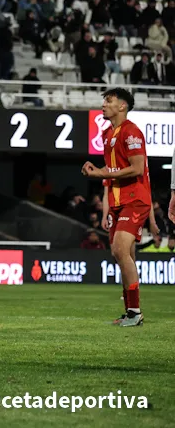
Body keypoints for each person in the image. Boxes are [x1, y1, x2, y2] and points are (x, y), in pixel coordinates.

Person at [82, 88, 155, 327]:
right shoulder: (106, 134)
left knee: (121, 251)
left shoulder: (132, 132)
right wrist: (97, 170)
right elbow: (112, 169)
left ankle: (135, 313)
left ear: (122, 106)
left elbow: (136, 168)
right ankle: (129, 311)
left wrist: (103, 172)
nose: (104, 105)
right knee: (122, 254)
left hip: (134, 199)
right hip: (116, 201)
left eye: (109, 101)